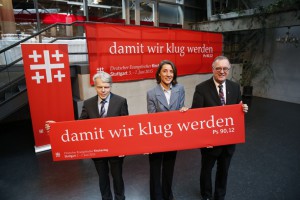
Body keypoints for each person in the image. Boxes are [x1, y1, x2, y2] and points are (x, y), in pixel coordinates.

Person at [46, 71, 128, 200]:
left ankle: (120, 198)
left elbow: (126, 127)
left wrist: (124, 148)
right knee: (102, 178)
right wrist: (56, 128)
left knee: (117, 177)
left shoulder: (121, 101)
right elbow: (80, 126)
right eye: (100, 87)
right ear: (95, 87)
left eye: (106, 87)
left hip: (116, 149)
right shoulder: (88, 103)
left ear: (110, 86)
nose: (103, 90)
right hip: (97, 149)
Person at [191, 55, 248, 200]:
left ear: (229, 70)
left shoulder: (235, 87)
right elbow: (195, 115)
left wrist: (243, 109)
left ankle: (220, 195)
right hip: (209, 143)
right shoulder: (201, 88)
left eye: (225, 68)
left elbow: (236, 112)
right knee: (206, 170)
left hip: (228, 142)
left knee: (224, 171)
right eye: (218, 68)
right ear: (213, 70)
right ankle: (207, 195)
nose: (222, 71)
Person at [146, 60, 188, 200]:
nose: (168, 74)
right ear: (159, 73)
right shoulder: (151, 93)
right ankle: (156, 197)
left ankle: (167, 195)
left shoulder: (180, 89)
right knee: (155, 169)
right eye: (165, 71)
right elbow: (152, 118)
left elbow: (181, 109)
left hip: (173, 137)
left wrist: (184, 110)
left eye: (171, 71)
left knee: (169, 168)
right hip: (157, 138)